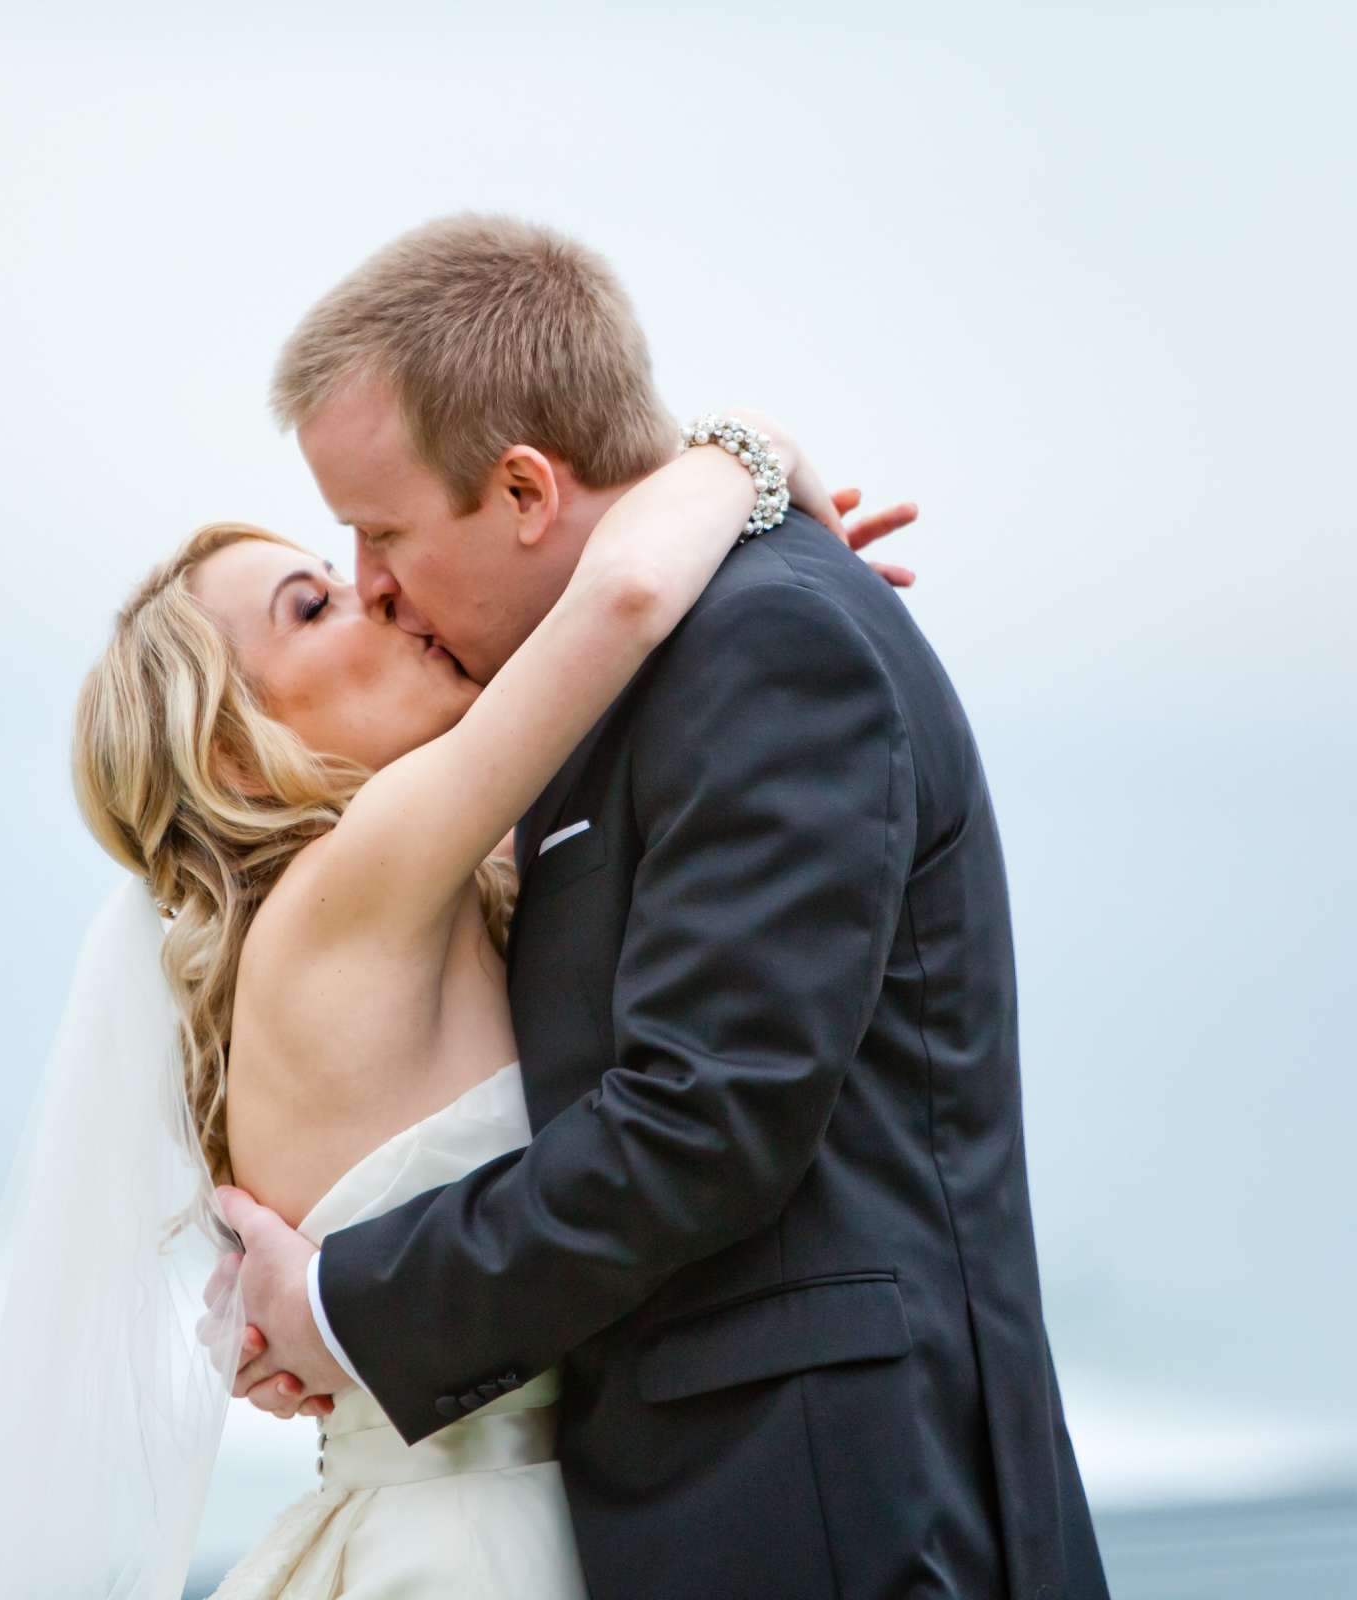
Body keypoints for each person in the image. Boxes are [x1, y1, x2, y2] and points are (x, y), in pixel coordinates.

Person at [216, 214, 1109, 1600]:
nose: (373, 582)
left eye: (381, 530)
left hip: (842, 1523)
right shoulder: (634, 671)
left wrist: (348, 1308)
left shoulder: (769, 644)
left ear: (522, 490)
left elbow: (709, 1117)